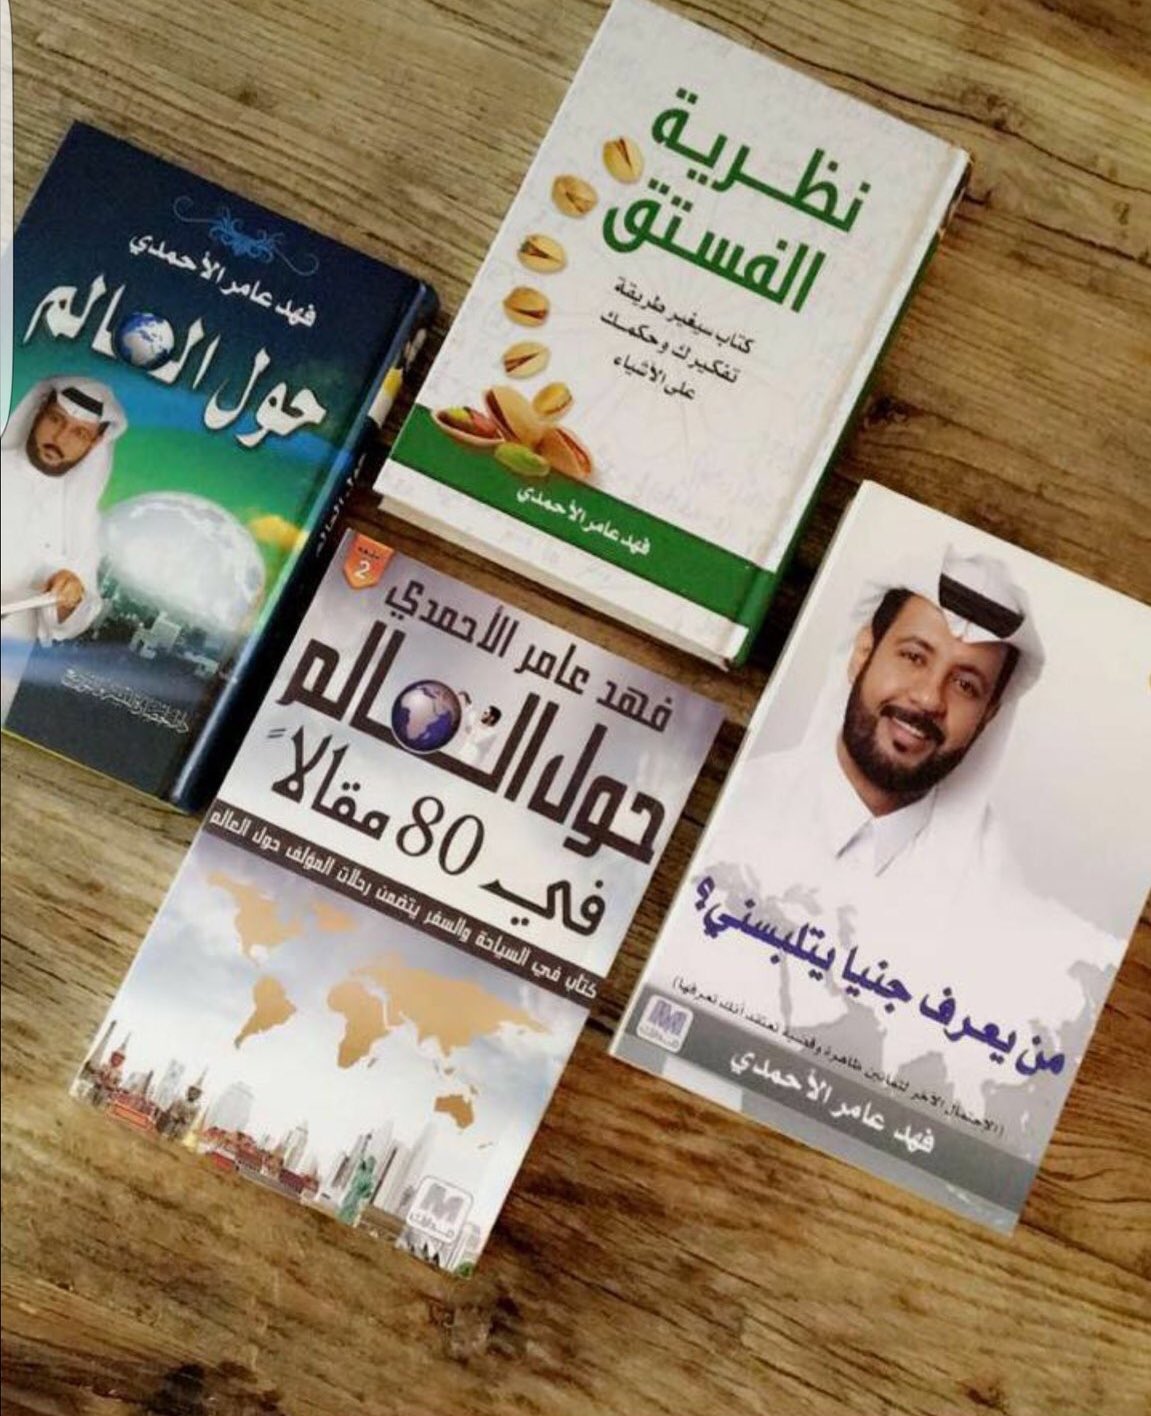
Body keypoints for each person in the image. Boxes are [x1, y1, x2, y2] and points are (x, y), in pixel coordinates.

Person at [682, 546, 1120, 1138]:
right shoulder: (730, 808)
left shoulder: (1003, 910)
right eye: (914, 656)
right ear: (863, 652)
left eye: (965, 685)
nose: (929, 698)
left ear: (988, 717)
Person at [0, 376, 127, 720]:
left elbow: (78, 615)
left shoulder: (84, 521)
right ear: (39, 411)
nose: (59, 439)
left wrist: (70, 597)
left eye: (79, 433)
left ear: (95, 443)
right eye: (56, 420)